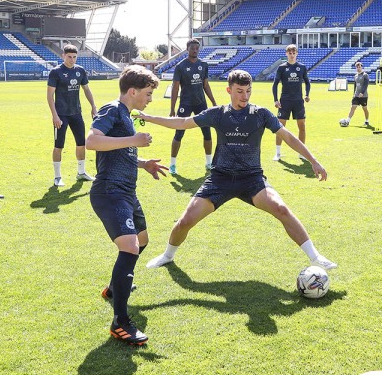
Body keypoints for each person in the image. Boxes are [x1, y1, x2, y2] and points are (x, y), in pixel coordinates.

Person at [139, 70, 337, 272]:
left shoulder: (261, 114)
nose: (245, 96)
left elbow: (287, 136)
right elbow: (182, 122)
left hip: (252, 179)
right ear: (229, 90)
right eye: (240, 91)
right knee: (185, 221)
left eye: (248, 91)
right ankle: (167, 255)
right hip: (220, 179)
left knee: (281, 209)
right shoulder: (217, 113)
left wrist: (313, 160)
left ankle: (316, 257)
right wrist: (148, 117)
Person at [86, 65, 169, 346]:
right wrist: (134, 139)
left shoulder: (126, 114)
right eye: (147, 94)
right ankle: (120, 322)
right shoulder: (112, 109)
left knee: (142, 240)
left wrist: (142, 162)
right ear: (132, 91)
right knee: (130, 247)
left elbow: (118, 151)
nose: (149, 99)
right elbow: (92, 141)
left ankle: (113, 289)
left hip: (127, 192)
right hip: (109, 191)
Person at [47, 44, 98, 187]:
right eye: (69, 56)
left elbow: (87, 90)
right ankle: (57, 177)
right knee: (59, 145)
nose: (72, 59)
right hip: (61, 115)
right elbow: (50, 96)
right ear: (63, 56)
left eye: (74, 57)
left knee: (82, 143)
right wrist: (55, 115)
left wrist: (93, 106)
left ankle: (81, 172)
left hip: (76, 113)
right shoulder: (56, 72)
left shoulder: (80, 71)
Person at [169, 39, 217, 174]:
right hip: (185, 103)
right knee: (179, 133)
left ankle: (209, 163)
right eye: (192, 48)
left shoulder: (204, 64)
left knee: (207, 132)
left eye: (197, 48)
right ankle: (172, 164)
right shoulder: (180, 66)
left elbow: (206, 85)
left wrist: (213, 102)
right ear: (187, 49)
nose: (195, 50)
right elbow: (175, 87)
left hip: (201, 103)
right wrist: (172, 108)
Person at [272, 44, 311, 162]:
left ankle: (302, 153)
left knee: (302, 126)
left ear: (297, 54)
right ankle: (278, 153)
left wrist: (307, 94)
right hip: (285, 101)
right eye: (290, 53)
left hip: (298, 101)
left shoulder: (302, 67)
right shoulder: (282, 67)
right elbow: (275, 84)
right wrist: (275, 99)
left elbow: (307, 82)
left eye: (294, 53)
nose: (292, 55)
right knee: (280, 127)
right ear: (286, 54)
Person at [343, 62, 370, 126]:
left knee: (364, 108)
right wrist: (354, 93)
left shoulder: (365, 75)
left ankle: (367, 121)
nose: (358, 68)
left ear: (362, 67)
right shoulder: (355, 76)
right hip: (356, 95)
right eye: (357, 67)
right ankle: (348, 121)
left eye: (359, 67)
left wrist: (362, 93)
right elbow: (355, 85)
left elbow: (366, 85)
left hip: (364, 95)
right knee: (353, 107)